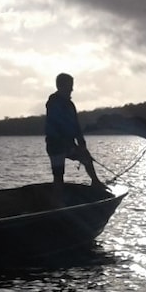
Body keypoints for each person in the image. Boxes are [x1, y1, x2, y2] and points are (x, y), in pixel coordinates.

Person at [45, 73, 105, 202]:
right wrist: (66, 141)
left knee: (86, 157)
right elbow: (56, 124)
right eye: (69, 86)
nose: (72, 89)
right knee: (58, 176)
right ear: (60, 86)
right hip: (55, 146)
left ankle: (95, 182)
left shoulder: (70, 105)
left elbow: (76, 125)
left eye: (72, 86)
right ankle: (57, 203)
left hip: (68, 145)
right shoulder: (53, 103)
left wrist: (81, 142)